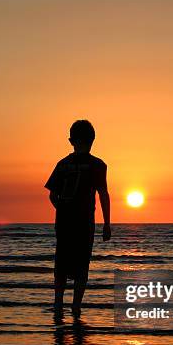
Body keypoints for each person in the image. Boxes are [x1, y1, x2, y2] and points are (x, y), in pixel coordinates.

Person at [45, 120, 111, 318]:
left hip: (64, 222)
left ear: (71, 140)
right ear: (93, 140)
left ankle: (58, 305)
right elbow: (103, 194)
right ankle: (75, 307)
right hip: (84, 223)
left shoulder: (62, 164)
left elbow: (52, 195)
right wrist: (107, 224)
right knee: (82, 264)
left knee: (62, 264)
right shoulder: (98, 165)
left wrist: (63, 209)